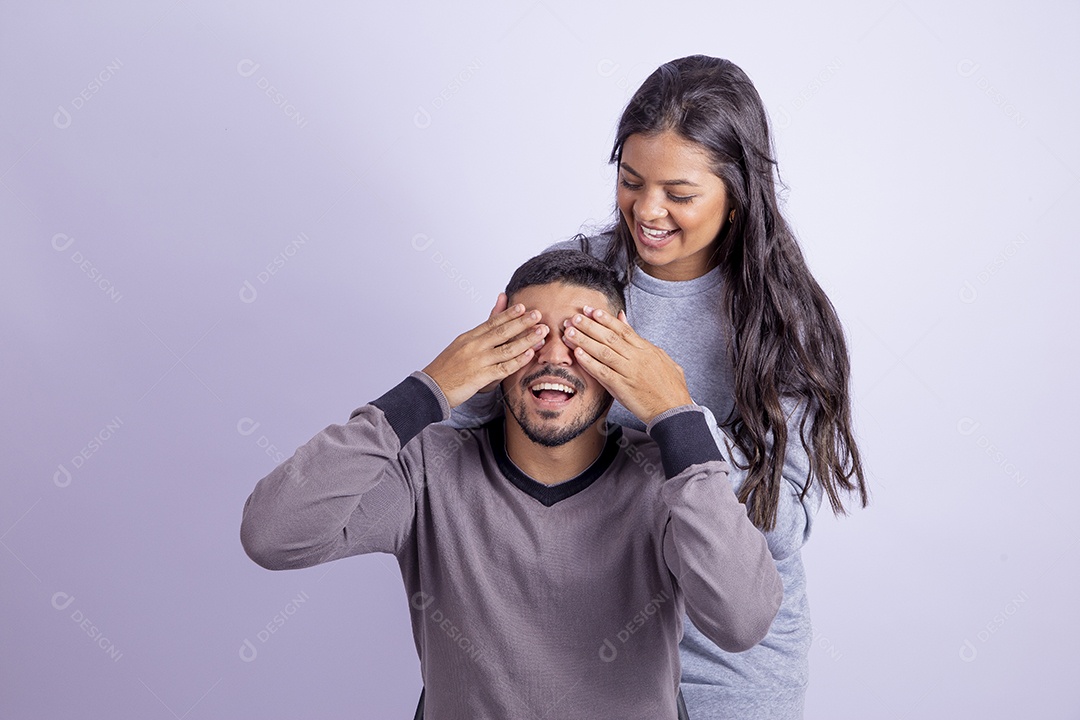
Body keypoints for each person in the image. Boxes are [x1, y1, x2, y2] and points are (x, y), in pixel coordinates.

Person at [453, 56, 868, 719]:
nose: (647, 211)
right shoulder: (580, 278)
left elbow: (780, 528)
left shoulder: (785, 323)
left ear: (737, 193)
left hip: (725, 657)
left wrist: (673, 415)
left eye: (679, 194)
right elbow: (466, 438)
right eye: (630, 181)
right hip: (590, 636)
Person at [240, 250, 783, 719]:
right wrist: (428, 390)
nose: (553, 355)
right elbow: (273, 534)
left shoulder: (667, 483)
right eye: (529, 335)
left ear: (623, 361)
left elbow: (743, 619)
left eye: (583, 338)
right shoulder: (430, 471)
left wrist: (675, 415)